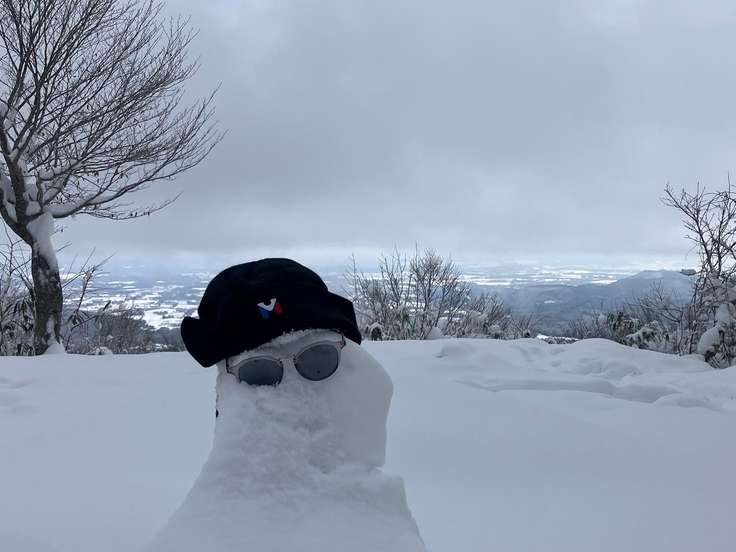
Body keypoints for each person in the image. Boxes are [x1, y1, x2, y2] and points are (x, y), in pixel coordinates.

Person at [149, 258, 425, 552]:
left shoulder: (378, 511)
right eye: (259, 372)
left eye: (319, 358)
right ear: (227, 393)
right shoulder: (207, 533)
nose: (296, 388)